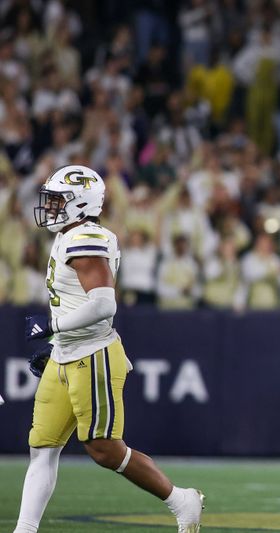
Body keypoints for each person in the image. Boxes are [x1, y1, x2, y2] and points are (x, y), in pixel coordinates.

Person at [14, 165, 203, 533]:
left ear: (81, 203)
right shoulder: (70, 234)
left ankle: (182, 500)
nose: (50, 207)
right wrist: (57, 343)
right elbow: (73, 302)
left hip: (92, 355)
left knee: (104, 449)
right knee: (43, 446)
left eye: (58, 200)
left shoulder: (86, 237)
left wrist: (51, 327)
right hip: (66, 353)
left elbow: (103, 304)